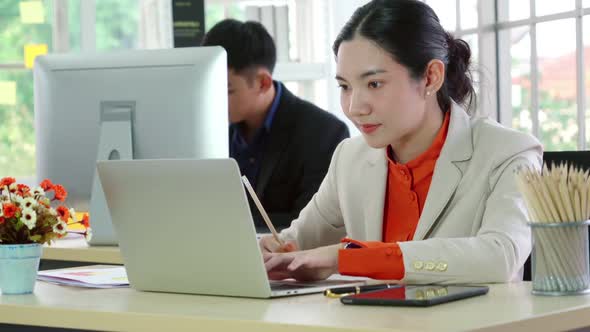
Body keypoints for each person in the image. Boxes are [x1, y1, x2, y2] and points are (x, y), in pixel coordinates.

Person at [260, 0, 543, 284]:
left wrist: (347, 258)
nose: (355, 107)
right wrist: (267, 252)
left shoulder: (510, 153)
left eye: (374, 84)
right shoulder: (350, 158)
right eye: (345, 86)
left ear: (431, 77)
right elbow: (294, 244)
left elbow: (499, 258)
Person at [202, 19, 350, 231]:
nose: (213, 101)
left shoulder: (323, 133)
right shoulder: (211, 130)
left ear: (263, 82)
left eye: (226, 90)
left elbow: (312, 225)